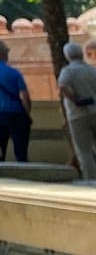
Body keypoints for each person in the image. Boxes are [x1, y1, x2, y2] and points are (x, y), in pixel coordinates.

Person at [57, 41, 96, 179]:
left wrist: (75, 99)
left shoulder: (68, 71)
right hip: (94, 111)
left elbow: (62, 86)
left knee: (84, 152)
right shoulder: (92, 70)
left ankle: (91, 181)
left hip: (77, 115)